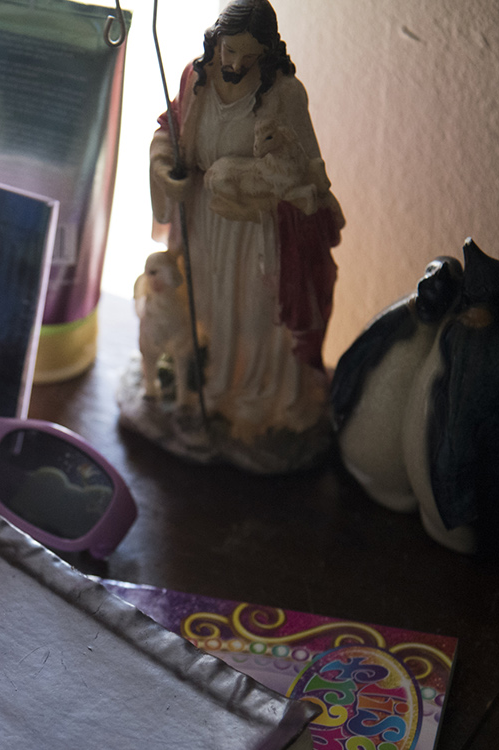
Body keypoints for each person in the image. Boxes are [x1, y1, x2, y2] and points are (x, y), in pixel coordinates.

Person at [150, 0, 342, 443]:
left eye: (248, 56)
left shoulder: (284, 94)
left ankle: (254, 400)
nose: (235, 63)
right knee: (209, 307)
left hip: (259, 231)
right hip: (202, 219)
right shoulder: (194, 79)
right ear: (214, 41)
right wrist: (165, 169)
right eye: (228, 51)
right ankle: (210, 390)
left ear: (267, 52)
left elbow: (307, 168)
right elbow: (169, 133)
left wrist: (259, 181)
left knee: (255, 316)